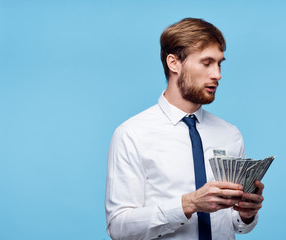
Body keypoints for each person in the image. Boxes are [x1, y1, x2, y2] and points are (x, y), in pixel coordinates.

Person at [105, 18, 265, 240]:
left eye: (220, 63)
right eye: (207, 62)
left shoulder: (230, 134)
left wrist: (246, 215)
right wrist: (188, 203)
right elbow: (119, 228)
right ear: (174, 63)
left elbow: (235, 225)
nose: (217, 74)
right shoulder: (132, 134)